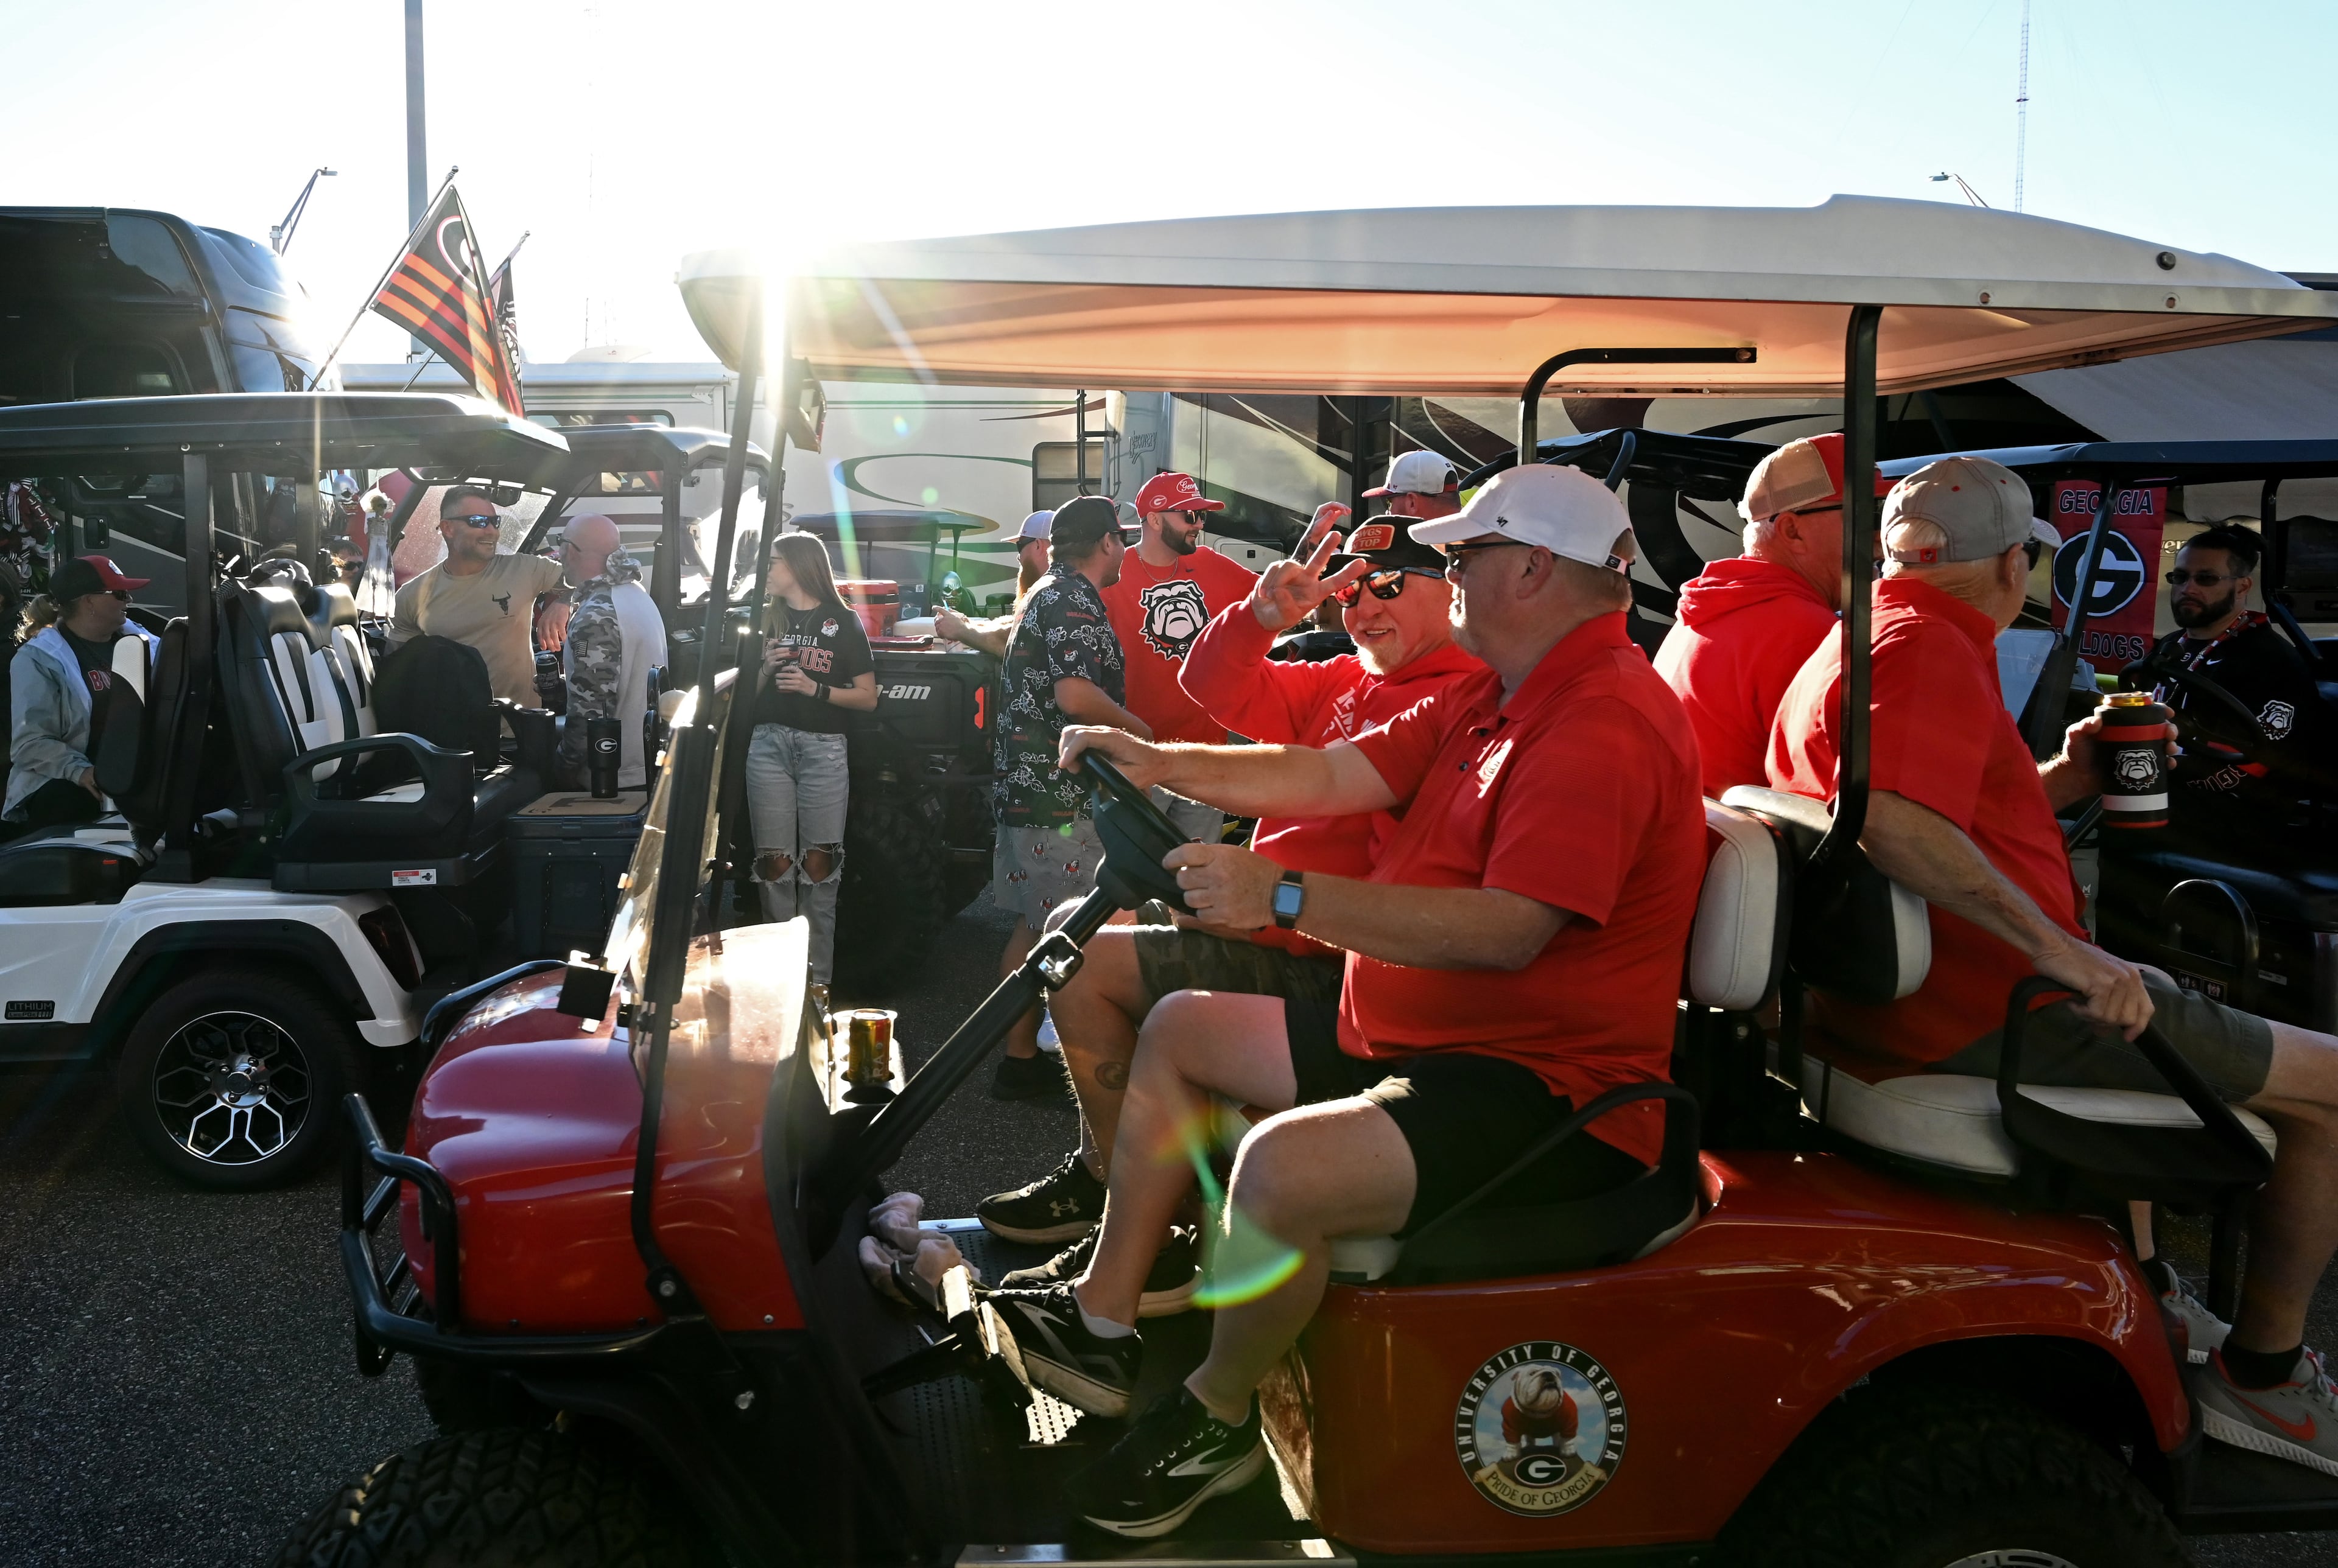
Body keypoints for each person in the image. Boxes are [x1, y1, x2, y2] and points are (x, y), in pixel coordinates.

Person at [988, 464, 1706, 1536]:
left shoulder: (1597, 721)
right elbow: (1323, 777)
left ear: (1530, 570)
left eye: (1459, 557)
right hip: (1431, 1034)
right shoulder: (1494, 697)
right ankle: (1109, 1314)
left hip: (1552, 1091)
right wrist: (1151, 757)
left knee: (1282, 1166)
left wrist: (1281, 892)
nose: (1441, 574)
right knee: (1181, 1026)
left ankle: (1218, 1418)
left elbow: (1514, 931)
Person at [1766, 455, 2338, 1478]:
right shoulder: (1930, 649)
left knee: (2158, 990)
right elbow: (1894, 825)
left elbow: (1936, 813)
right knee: (2333, 1087)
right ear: (2012, 563)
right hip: (1996, 1012)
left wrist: (2065, 777)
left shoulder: (1856, 638)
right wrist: (2064, 951)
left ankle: (2157, 1298)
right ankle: (2268, 1378)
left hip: (1917, 1006)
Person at [974, 517, 1484, 1289]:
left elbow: (1327, 786)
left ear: (1452, 589)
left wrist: (1262, 889)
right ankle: (1109, 1184)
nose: (1364, 607)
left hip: (1325, 956)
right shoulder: (1349, 678)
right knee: (1069, 932)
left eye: (1387, 585)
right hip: (1265, 927)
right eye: (1350, 591)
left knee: (1079, 964)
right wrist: (1259, 616)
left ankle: (1143, 1223)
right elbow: (1209, 685)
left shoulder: (1453, 703)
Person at [988, 496, 1154, 1100]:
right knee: (1056, 930)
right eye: (1123, 540)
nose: (1126, 551)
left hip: (1040, 792)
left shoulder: (1050, 592)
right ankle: (1021, 1060)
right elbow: (1077, 696)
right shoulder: (1070, 599)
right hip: (1052, 797)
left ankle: (1019, 1056)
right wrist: (1141, 731)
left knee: (1035, 926)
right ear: (1107, 542)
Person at [1653, 433, 1861, 798]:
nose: (1880, 536)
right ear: (1792, 530)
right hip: (1750, 848)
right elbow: (1842, 801)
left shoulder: (1707, 609)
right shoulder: (1809, 632)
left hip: (1704, 843)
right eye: (1863, 515)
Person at [2119, 523, 2335, 845]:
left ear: (2243, 586)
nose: (2188, 588)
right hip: (2170, 788)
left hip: (2242, 818)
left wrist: (2147, 772)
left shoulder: (2270, 661)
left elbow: (2250, 767)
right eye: (2179, 577)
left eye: (2206, 579)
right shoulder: (2171, 646)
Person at [742, 532, 878, 987]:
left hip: (823, 750)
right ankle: (778, 989)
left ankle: (816, 989)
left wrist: (814, 688)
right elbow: (741, 703)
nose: (766, 571)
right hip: (767, 747)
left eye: (773, 562)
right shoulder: (765, 619)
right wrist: (763, 667)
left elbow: (868, 697)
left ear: (800, 566)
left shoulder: (842, 621)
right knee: (773, 867)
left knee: (821, 872)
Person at [1102, 472, 1257, 841]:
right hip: (1138, 757)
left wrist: (1310, 546)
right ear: (1154, 520)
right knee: (1138, 879)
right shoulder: (1113, 574)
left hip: (1204, 757)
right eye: (1190, 516)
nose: (1199, 525)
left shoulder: (1209, 563)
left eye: (1202, 516)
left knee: (1194, 881)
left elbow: (1273, 596)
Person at [6, 556, 160, 828]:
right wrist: (82, 771)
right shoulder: (39, 659)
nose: (129, 601)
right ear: (89, 601)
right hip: (67, 783)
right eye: (121, 593)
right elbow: (30, 744)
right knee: (69, 801)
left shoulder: (141, 639)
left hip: (136, 775)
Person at [387, 486, 569, 707]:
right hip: (454, 733)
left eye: (495, 522)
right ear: (448, 528)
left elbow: (587, 578)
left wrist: (563, 601)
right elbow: (397, 671)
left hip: (521, 727)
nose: (492, 531)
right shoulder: (412, 594)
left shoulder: (523, 568)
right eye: (479, 521)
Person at [555, 515, 669, 790]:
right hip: (646, 763)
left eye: (560, 544)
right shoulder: (636, 594)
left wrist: (561, 767)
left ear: (570, 549)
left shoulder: (597, 614)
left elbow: (590, 710)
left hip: (612, 777)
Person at [935, 509, 1052, 657]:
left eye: (1020, 546)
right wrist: (967, 623)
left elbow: (1012, 639)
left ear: (1038, 546)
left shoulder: (1053, 592)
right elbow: (1015, 623)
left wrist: (961, 630)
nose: (1019, 557)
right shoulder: (1049, 588)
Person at [1364, 449, 1461, 520]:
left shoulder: (1404, 547)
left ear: (1412, 503)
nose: (1387, 512)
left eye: (1388, 503)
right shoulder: (1473, 540)